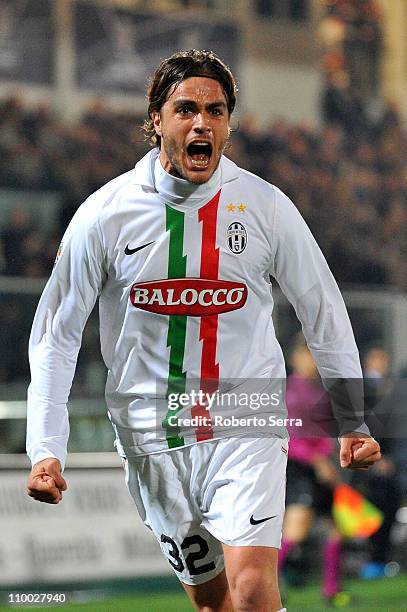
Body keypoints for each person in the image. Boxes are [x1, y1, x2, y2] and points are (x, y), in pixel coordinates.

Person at [26, 50, 381, 612]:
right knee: (215, 602)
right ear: (157, 120)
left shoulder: (264, 206)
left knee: (251, 587)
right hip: (149, 431)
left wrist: (352, 417)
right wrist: (46, 448)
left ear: (228, 123)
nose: (202, 123)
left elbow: (323, 308)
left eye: (216, 112)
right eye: (186, 109)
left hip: (244, 416)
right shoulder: (105, 214)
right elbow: (55, 334)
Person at [279, 338, 345, 605]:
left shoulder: (318, 392)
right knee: (296, 532)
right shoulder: (290, 392)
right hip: (299, 469)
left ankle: (331, 590)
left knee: (335, 529)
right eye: (308, 356)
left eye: (316, 357)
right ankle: (262, 582)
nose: (313, 362)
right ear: (296, 358)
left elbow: (322, 433)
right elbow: (290, 436)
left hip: (320, 469)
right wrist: (317, 460)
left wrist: (327, 462)